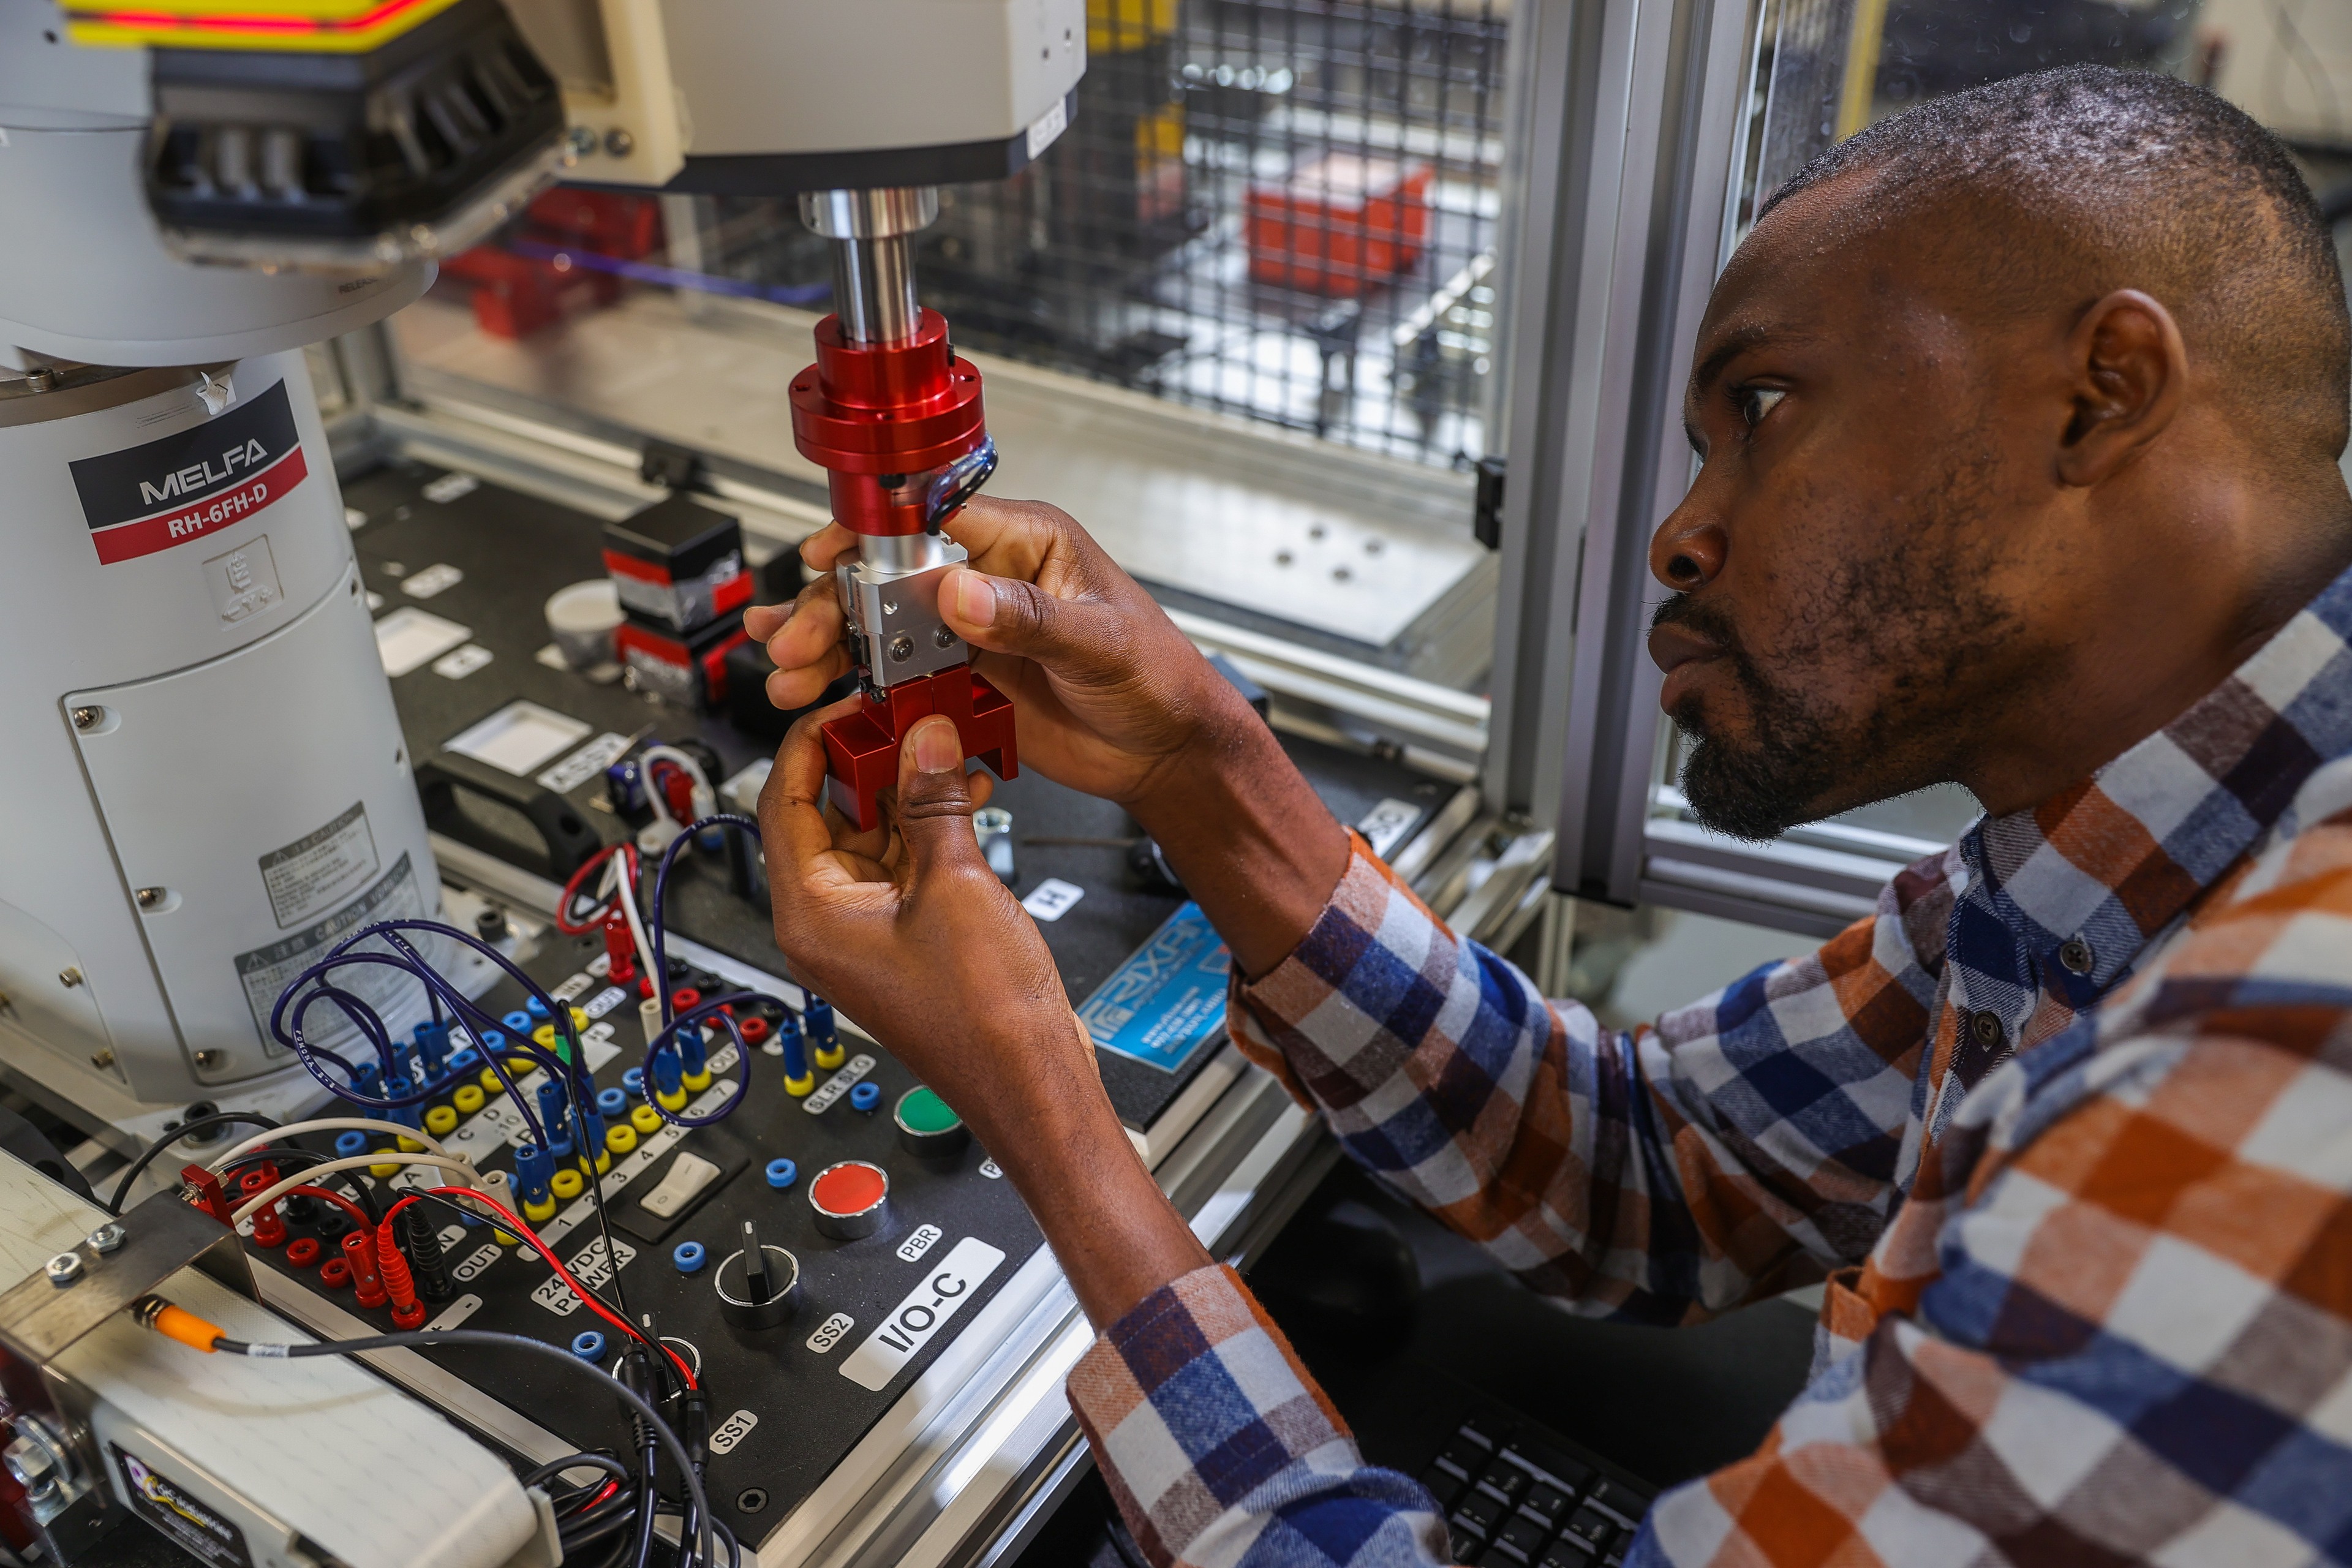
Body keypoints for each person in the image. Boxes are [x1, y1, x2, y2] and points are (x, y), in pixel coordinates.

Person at [743, 66, 2352, 1567]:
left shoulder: (2283, 1086)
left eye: (1769, 407)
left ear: (2103, 393)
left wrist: (1053, 1118)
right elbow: (1667, 1174)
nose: (1679, 534)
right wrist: (1197, 759)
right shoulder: (2107, 863)